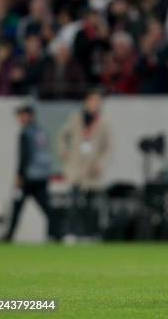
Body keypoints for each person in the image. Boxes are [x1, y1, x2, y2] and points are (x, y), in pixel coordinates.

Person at [57, 89, 112, 238]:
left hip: (91, 169)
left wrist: (100, 163)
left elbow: (108, 147)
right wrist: (64, 152)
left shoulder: (103, 122)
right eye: (92, 100)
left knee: (91, 205)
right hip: (76, 167)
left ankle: (90, 233)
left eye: (97, 101)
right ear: (86, 102)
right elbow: (62, 135)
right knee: (73, 203)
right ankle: (71, 232)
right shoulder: (75, 118)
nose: (94, 104)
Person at [2, 105, 52, 241]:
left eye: (23, 115)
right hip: (42, 176)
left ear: (30, 116)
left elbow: (24, 157)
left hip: (28, 178)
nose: (20, 118)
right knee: (47, 208)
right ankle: (55, 234)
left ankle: (9, 236)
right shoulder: (41, 132)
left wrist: (19, 176)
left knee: (17, 206)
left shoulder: (26, 133)